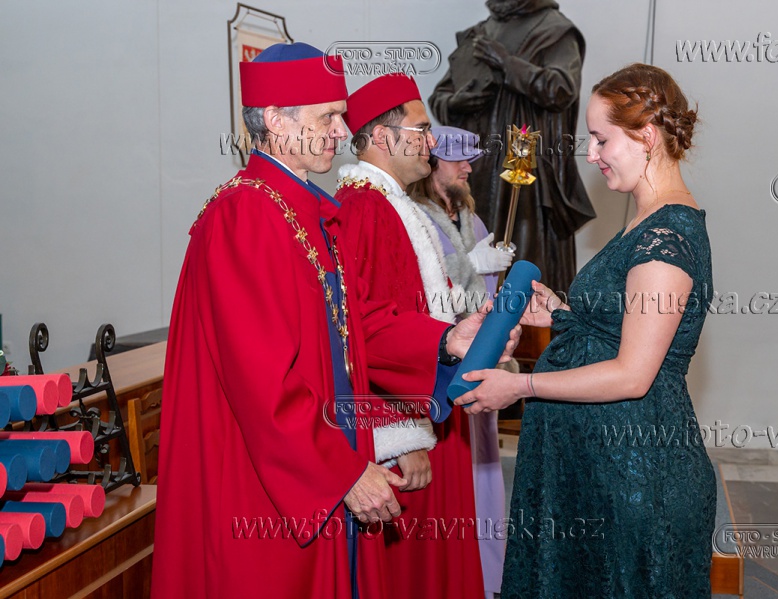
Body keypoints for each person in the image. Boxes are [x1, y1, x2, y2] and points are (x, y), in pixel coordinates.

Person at [152, 44, 517, 599]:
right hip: (269, 487)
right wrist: (341, 471)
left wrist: (446, 341)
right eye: (328, 117)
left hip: (320, 464)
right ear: (276, 120)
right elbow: (261, 382)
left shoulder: (304, 211)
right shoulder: (244, 215)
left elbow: (358, 331)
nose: (343, 131)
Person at [455, 63, 716, 597]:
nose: (591, 155)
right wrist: (563, 315)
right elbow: (622, 329)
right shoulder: (645, 220)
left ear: (646, 136)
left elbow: (633, 374)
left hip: (636, 476)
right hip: (601, 471)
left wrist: (520, 385)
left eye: (601, 139)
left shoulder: (667, 236)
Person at [333, 74, 485, 599]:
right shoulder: (363, 207)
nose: (432, 141)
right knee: (416, 575)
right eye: (421, 130)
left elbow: (418, 304)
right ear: (382, 136)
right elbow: (363, 335)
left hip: (429, 405)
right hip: (409, 423)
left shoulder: (392, 202)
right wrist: (401, 439)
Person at [428, 0, 596, 295]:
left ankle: (529, 322)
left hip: (525, 169)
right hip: (477, 169)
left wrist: (506, 62)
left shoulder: (555, 30)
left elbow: (561, 89)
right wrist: (455, 102)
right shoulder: (480, 32)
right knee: (478, 247)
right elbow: (440, 95)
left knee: (525, 254)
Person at [408, 125, 511, 598]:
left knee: (484, 463)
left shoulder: (474, 220)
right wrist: (473, 265)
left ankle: (487, 572)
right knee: (451, 474)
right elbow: (420, 284)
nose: (468, 167)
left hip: (480, 357)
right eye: (458, 160)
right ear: (432, 165)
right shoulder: (416, 218)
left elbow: (486, 293)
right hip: (442, 361)